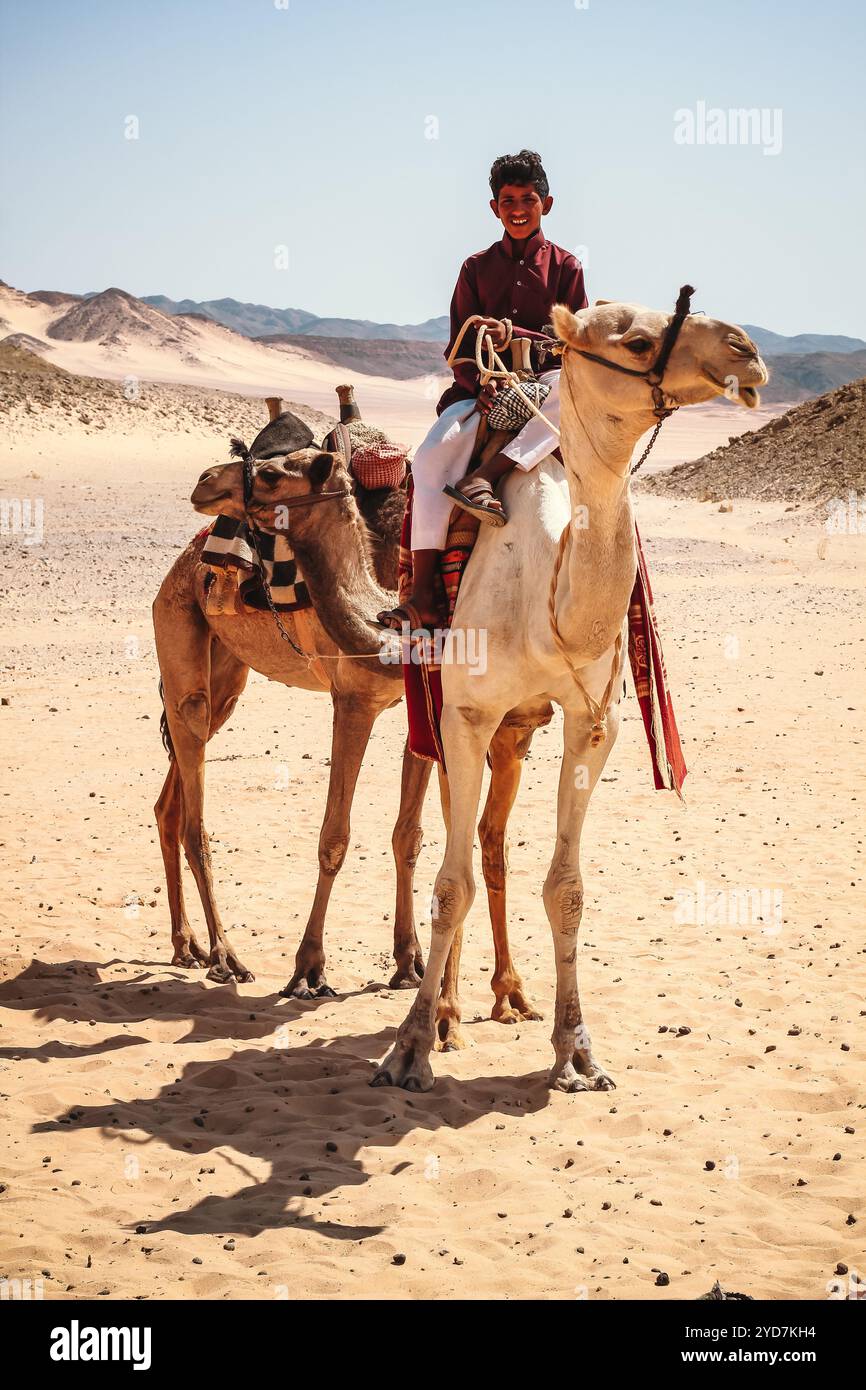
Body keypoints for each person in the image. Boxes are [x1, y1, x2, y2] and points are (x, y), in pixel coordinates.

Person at [377, 149, 588, 631]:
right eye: (508, 200)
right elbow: (457, 345)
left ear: (546, 204)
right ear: (494, 207)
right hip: (482, 391)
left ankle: (488, 475)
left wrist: (520, 340)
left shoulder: (568, 268)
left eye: (528, 200)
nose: (518, 209)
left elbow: (572, 344)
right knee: (431, 457)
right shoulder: (474, 269)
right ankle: (424, 593)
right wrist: (484, 384)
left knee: (573, 393)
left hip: (548, 388)